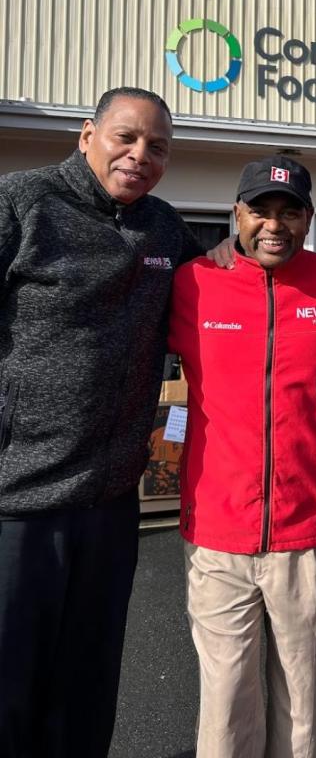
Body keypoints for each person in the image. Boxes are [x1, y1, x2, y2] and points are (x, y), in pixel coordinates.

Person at [0, 87, 203, 758]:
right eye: (126, 137)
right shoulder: (22, 202)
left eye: (158, 147)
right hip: (17, 499)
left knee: (87, 681)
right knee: (9, 682)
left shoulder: (165, 229)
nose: (140, 155)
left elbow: (219, 286)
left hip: (111, 499)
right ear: (88, 134)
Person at [169, 155, 316, 758]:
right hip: (217, 533)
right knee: (225, 704)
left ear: (310, 218)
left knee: (303, 706)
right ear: (237, 213)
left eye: (290, 212)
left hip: (311, 533)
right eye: (260, 210)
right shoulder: (192, 283)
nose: (274, 225)